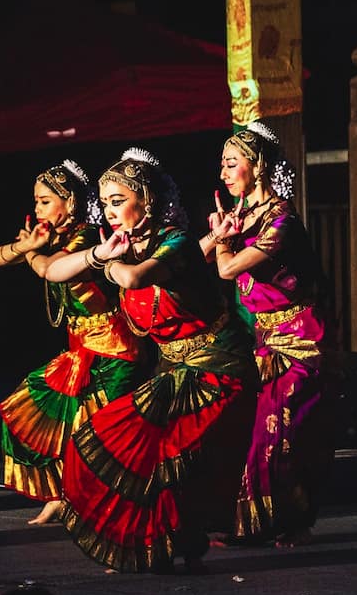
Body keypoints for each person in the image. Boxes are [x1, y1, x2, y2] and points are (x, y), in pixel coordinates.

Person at [45, 148, 257, 573]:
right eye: (104, 203)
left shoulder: (173, 242)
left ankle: (176, 541)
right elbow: (53, 271)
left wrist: (105, 260)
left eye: (118, 200)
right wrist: (96, 256)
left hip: (218, 367)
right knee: (104, 440)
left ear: (149, 201)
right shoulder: (124, 245)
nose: (109, 211)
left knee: (170, 457)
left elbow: (135, 277)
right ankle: (168, 544)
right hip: (174, 369)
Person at [200, 122, 335, 547]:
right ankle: (252, 521)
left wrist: (221, 242)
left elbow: (226, 268)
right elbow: (193, 257)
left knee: (283, 431)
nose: (223, 172)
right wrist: (217, 235)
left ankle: (287, 522)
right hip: (262, 337)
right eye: (222, 163)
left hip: (300, 337)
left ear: (256, 167)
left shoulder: (282, 219)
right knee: (250, 427)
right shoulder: (242, 217)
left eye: (231, 163)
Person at [0, 160, 144, 525]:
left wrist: (30, 250)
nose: (37, 209)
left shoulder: (88, 236)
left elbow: (48, 268)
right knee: (32, 410)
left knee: (94, 436)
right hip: (79, 351)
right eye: (36, 202)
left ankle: (105, 510)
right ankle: (60, 496)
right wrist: (26, 246)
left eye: (44, 201)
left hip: (114, 350)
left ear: (69, 203)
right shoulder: (51, 240)